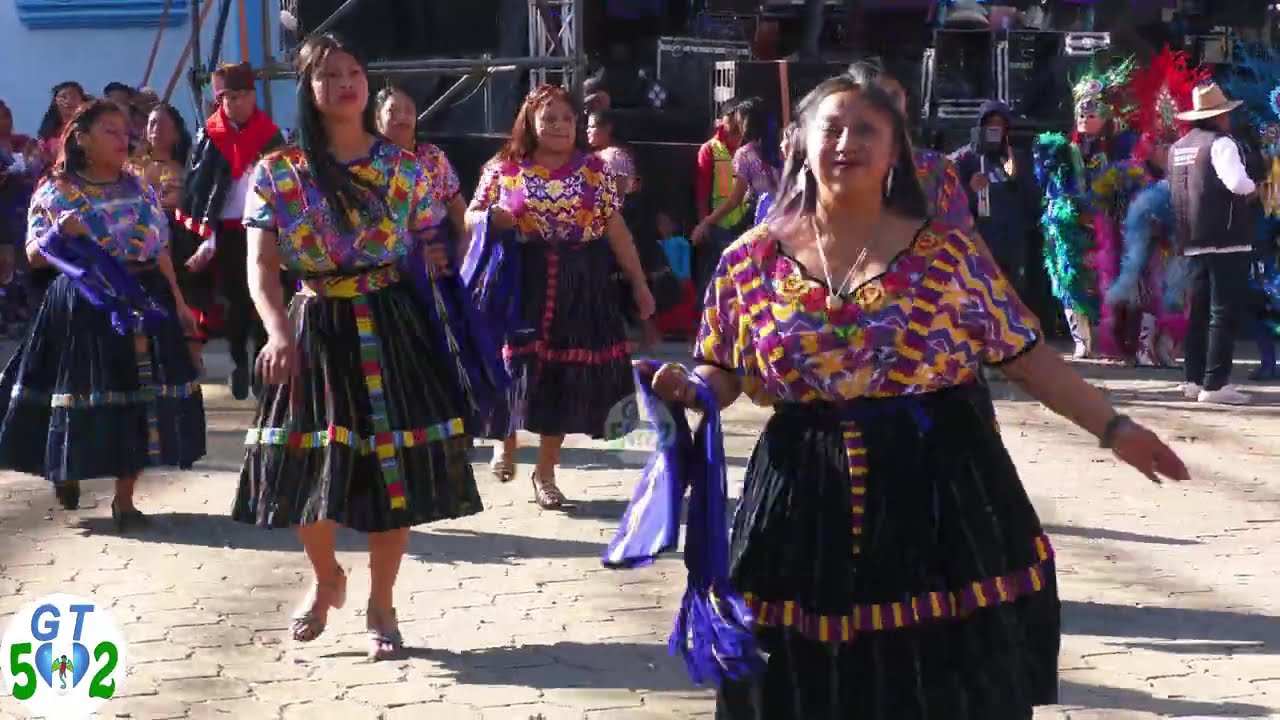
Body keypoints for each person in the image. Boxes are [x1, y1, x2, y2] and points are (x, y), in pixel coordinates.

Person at [646, 72, 1189, 720]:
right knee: (801, 681)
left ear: (896, 151)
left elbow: (1028, 360)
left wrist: (1115, 428)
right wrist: (692, 389)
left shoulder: (949, 255)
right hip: (801, 497)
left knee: (936, 683)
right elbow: (724, 366)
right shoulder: (749, 262)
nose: (846, 142)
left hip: (935, 492)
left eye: (866, 130)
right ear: (800, 143)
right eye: (831, 128)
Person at [231, 34, 486, 660]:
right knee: (302, 466)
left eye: (353, 72)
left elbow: (441, 245)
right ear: (307, 89)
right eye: (329, 75)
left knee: (391, 474)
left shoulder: (404, 168)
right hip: (313, 324)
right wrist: (276, 331)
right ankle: (327, 577)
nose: (345, 83)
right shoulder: (278, 172)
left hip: (391, 323)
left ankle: (382, 604)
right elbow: (260, 267)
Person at [0, 100, 206, 528]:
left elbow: (160, 250)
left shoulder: (140, 188)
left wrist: (178, 301)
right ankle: (66, 469)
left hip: (141, 299)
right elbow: (33, 254)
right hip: (84, 302)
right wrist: (60, 232)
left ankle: (124, 500)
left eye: (124, 130)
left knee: (141, 397)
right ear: (82, 138)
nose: (122, 138)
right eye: (109, 130)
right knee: (83, 392)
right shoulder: (56, 191)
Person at [466, 84, 655, 508]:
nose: (559, 126)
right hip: (521, 280)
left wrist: (639, 282)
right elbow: (470, 216)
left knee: (564, 378)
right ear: (530, 122)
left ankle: (546, 473)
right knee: (512, 366)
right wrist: (491, 218)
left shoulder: (595, 172)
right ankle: (505, 441)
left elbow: (616, 230)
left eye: (567, 118)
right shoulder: (503, 169)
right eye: (548, 118)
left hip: (580, 281)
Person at [178, 61, 286, 400]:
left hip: (265, 229)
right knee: (234, 301)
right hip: (226, 230)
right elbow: (197, 190)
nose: (235, 103)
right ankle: (239, 361)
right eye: (228, 98)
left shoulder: (270, 135)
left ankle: (261, 366)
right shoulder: (210, 136)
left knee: (266, 294)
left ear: (253, 96)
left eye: (241, 96)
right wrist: (205, 237)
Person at [1104, 48, 1206, 368]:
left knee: (1179, 294)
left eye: (1171, 143)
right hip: (1145, 241)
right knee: (1146, 293)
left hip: (1180, 238)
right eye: (1160, 144)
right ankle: (1143, 347)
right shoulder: (1133, 170)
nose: (1166, 150)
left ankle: (1165, 347)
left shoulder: (1190, 158)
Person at [1034, 59, 1140, 359]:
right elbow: (1048, 187)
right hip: (1070, 225)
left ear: (1106, 117)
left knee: (1111, 282)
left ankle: (1112, 338)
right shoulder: (1061, 149)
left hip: (1107, 223)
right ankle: (1081, 339)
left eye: (1092, 113)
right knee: (1069, 279)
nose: (1084, 117)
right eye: (1081, 112)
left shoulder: (1120, 147)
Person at [1168, 83, 1259, 405]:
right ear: (1219, 116)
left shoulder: (1178, 147)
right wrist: (1257, 188)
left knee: (1199, 312)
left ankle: (1193, 380)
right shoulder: (1221, 144)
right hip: (1226, 238)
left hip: (1191, 238)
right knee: (1223, 313)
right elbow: (1237, 183)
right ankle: (1216, 384)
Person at [846, 61, 975, 232]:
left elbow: (962, 234)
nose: (888, 108)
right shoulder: (835, 166)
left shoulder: (935, 168)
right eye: (878, 99)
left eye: (894, 97)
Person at [130, 103, 207, 372]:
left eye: (163, 124)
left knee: (186, 295)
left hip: (175, 236)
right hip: (136, 239)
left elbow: (176, 201)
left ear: (176, 133)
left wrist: (152, 198)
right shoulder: (131, 164)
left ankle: (191, 353)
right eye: (152, 123)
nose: (156, 129)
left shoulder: (183, 167)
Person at [949, 100, 1040, 294]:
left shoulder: (1017, 158)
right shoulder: (963, 159)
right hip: (977, 247)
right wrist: (969, 190)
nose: (995, 129)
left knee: (1012, 299)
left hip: (1011, 249)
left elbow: (1034, 204)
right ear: (980, 126)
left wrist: (1018, 178)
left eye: (1000, 124)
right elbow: (946, 204)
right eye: (990, 123)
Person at [373, 85, 466, 242]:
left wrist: (468, 245)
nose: (402, 117)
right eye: (392, 111)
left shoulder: (433, 158)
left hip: (436, 245)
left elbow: (458, 209)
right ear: (378, 120)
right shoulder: (370, 162)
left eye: (409, 110)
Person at [692, 98, 778, 246]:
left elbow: (735, 199)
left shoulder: (745, 153)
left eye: (738, 120)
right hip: (778, 221)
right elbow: (703, 191)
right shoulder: (781, 147)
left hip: (755, 224)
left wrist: (706, 222)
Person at [694, 100, 747, 302]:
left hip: (744, 224)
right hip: (719, 225)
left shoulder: (747, 148)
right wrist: (704, 222)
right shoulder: (710, 149)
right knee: (714, 277)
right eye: (730, 117)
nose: (734, 122)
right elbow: (702, 190)